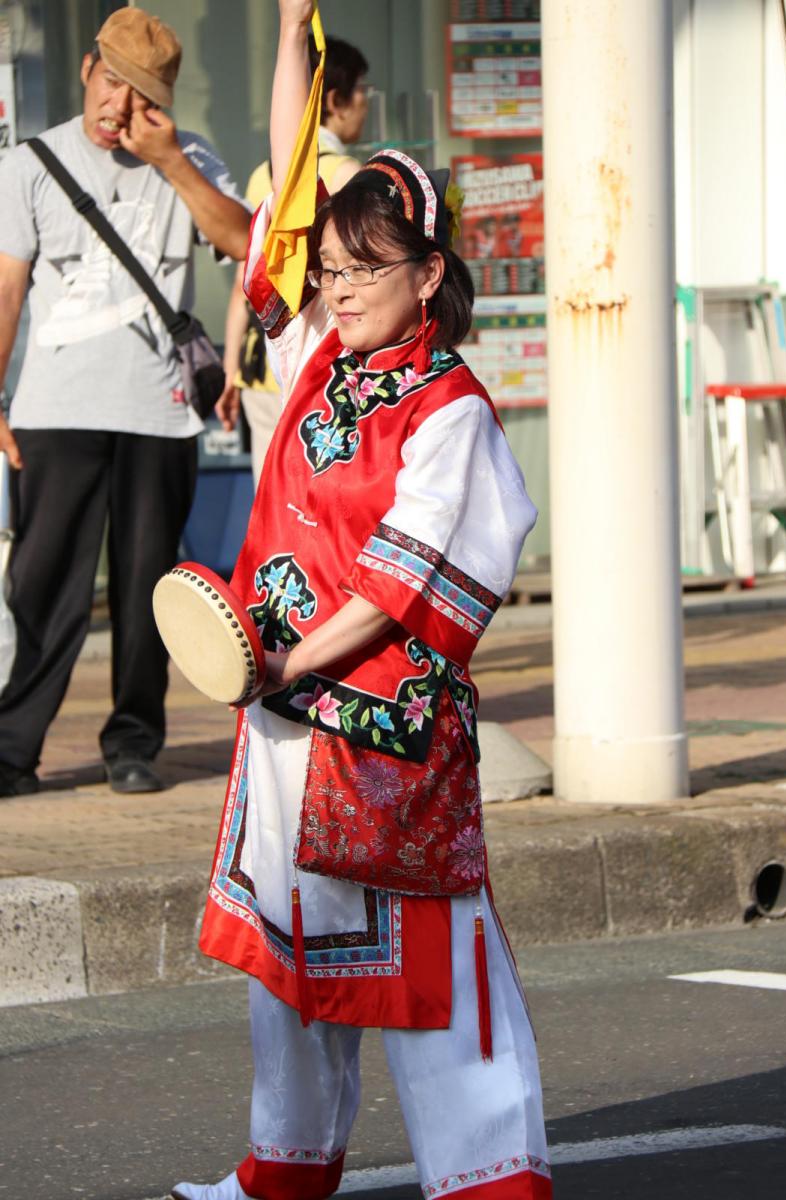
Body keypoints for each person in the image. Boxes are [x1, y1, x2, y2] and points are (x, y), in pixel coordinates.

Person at [171, 3, 550, 1199]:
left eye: (360, 270)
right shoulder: (319, 361)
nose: (330, 287)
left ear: (429, 273)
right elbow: (287, 198)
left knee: (439, 968)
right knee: (286, 960)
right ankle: (283, 1169)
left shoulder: (451, 416)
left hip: (380, 733)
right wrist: (293, 37)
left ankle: (494, 1177)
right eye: (327, 270)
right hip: (289, 724)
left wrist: (287, 666)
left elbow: (404, 583)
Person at [0, 8, 251, 797]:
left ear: (164, 99)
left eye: (139, 93)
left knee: (150, 591)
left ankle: (134, 744)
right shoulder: (30, 165)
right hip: (54, 409)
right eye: (111, 83)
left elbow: (246, 243)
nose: (118, 106)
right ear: (85, 69)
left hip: (161, 411)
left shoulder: (190, 157)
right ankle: (11, 749)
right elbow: (6, 288)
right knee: (42, 587)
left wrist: (171, 159)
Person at [217, 34, 369, 483]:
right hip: (321, 362)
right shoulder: (346, 174)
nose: (365, 103)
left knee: (269, 493)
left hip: (258, 364)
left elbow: (245, 277)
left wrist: (231, 368)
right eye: (362, 91)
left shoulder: (261, 176)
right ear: (337, 100)